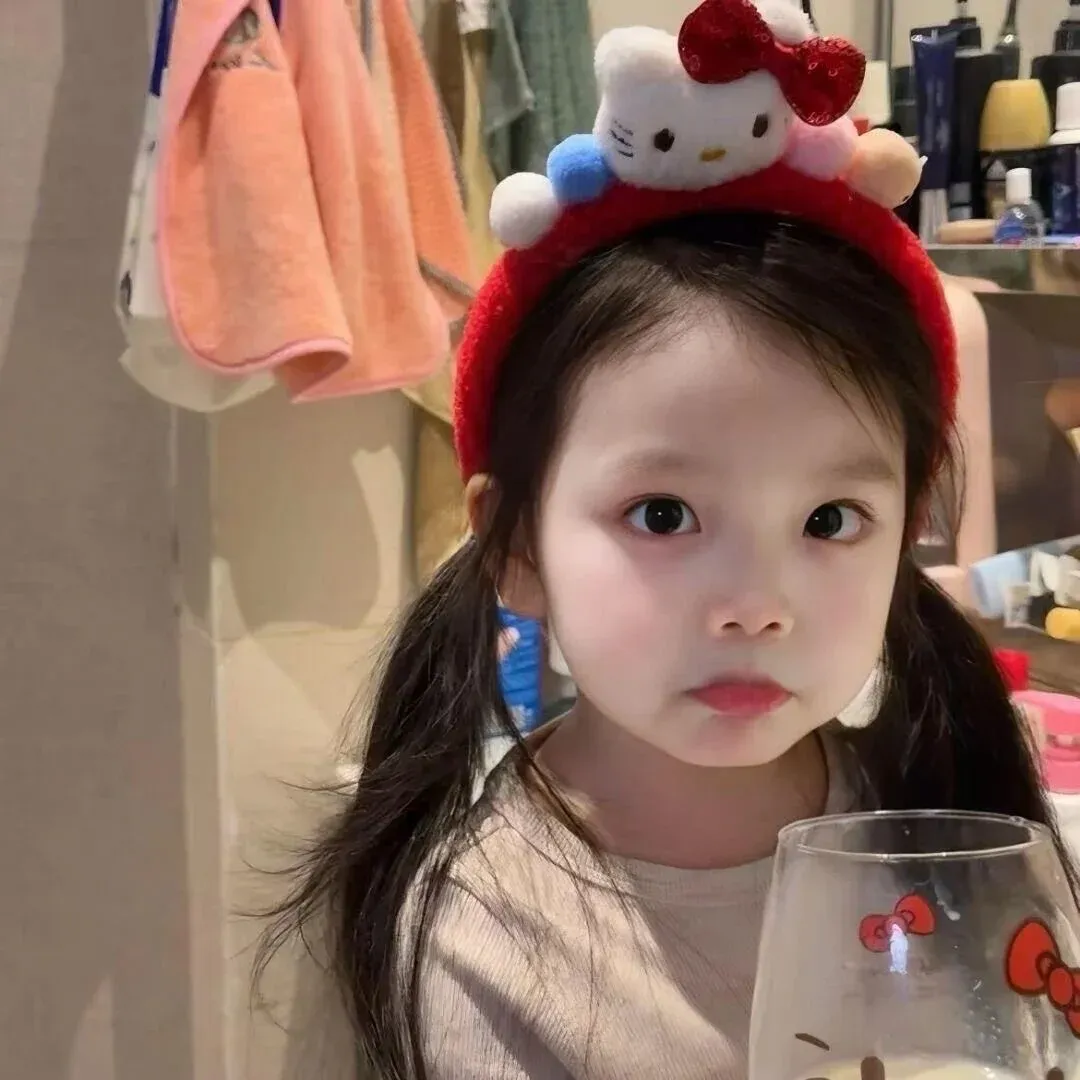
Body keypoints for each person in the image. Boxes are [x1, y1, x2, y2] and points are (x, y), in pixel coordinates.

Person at [258, 1, 1076, 1077]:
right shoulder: (462, 930)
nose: (756, 604)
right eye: (662, 515)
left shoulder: (961, 825)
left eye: (830, 521)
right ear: (516, 546)